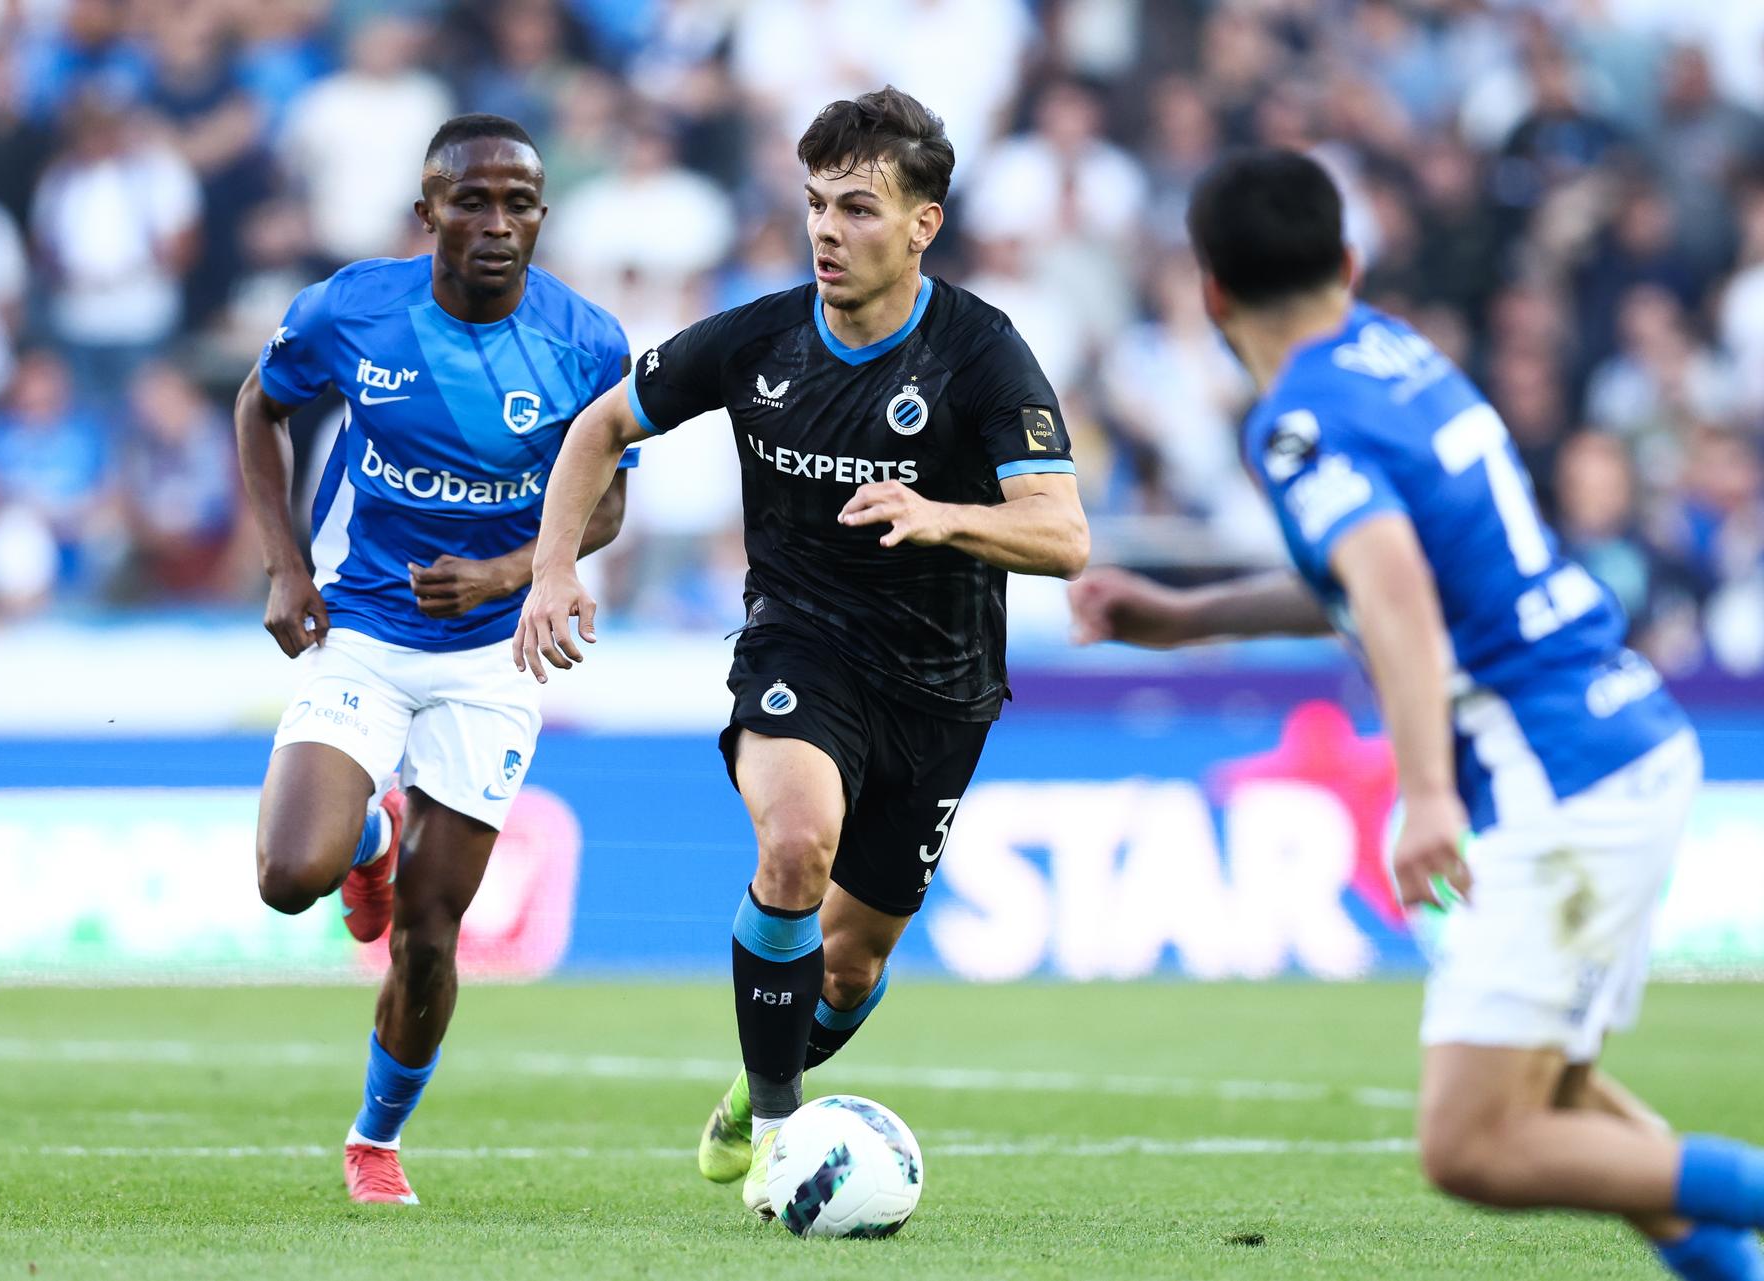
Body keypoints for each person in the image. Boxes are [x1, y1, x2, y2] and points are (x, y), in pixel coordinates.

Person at [1069, 148, 1764, 1281]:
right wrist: (1188, 616)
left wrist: (1428, 791)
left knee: (1474, 1143)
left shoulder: (1297, 421)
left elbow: (1391, 589)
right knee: (1561, 1101)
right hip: (1619, 735)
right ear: (1348, 261)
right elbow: (1383, 574)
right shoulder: (1398, 358)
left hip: (1557, 775)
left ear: (1210, 293)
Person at [514, 87, 1089, 1219]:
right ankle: (781, 1132)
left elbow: (1063, 536)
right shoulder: (759, 337)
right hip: (800, 645)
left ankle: (751, 1088)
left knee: (853, 963)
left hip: (942, 688)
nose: (828, 229)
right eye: (817, 204)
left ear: (923, 224)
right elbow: (601, 425)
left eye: (859, 209)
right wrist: (552, 567)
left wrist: (944, 516)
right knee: (794, 849)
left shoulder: (980, 353)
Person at [235, 114, 634, 1205]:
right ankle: (369, 832)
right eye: (473, 201)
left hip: (494, 661)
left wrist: (512, 574)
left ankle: (375, 1141)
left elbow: (605, 503)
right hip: (361, 625)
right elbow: (259, 407)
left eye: (519, 204)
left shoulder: (589, 341)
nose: (497, 223)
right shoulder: (352, 309)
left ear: (543, 217)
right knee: (288, 879)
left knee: (426, 935)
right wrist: (282, 564)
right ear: (430, 214)